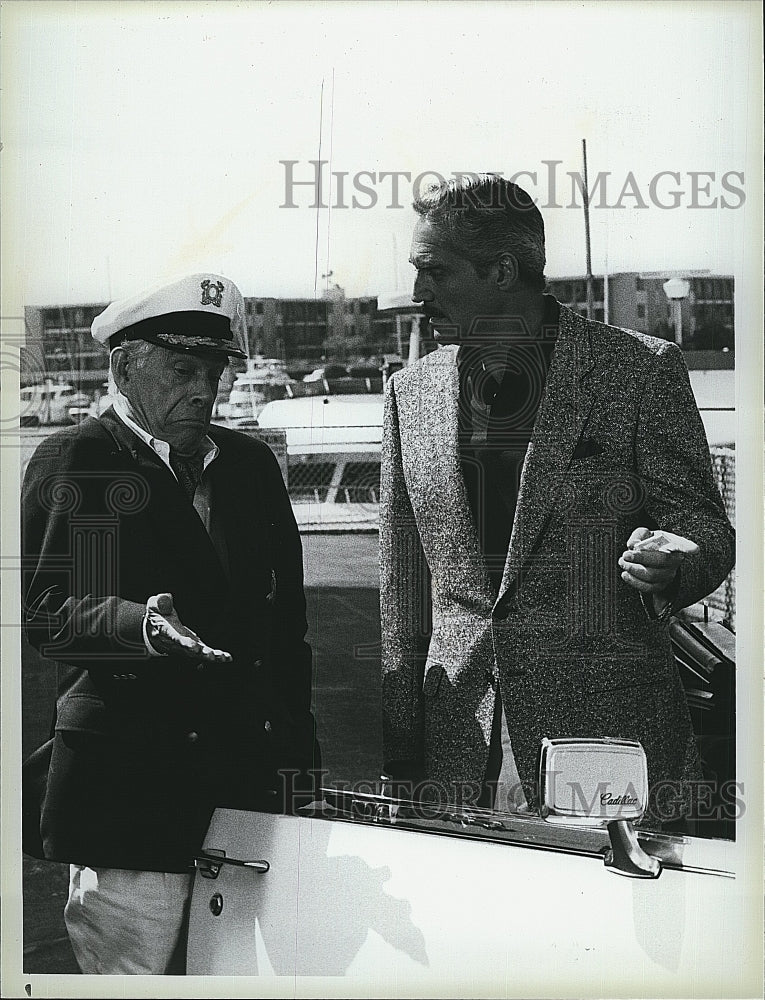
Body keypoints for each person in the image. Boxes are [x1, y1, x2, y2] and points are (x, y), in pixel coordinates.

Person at [379, 175, 735, 821]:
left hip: (609, 739)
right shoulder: (410, 391)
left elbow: (702, 527)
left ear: (502, 270)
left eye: (434, 270)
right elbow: (403, 587)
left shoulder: (637, 369)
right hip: (461, 750)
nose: (417, 292)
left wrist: (676, 560)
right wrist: (403, 747)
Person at [22, 273, 319, 974]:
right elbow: (54, 612)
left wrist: (299, 769)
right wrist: (140, 626)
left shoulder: (247, 466)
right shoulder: (86, 463)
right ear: (125, 368)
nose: (204, 390)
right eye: (183, 369)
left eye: (213, 372)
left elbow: (286, 635)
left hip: (249, 790)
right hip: (133, 800)